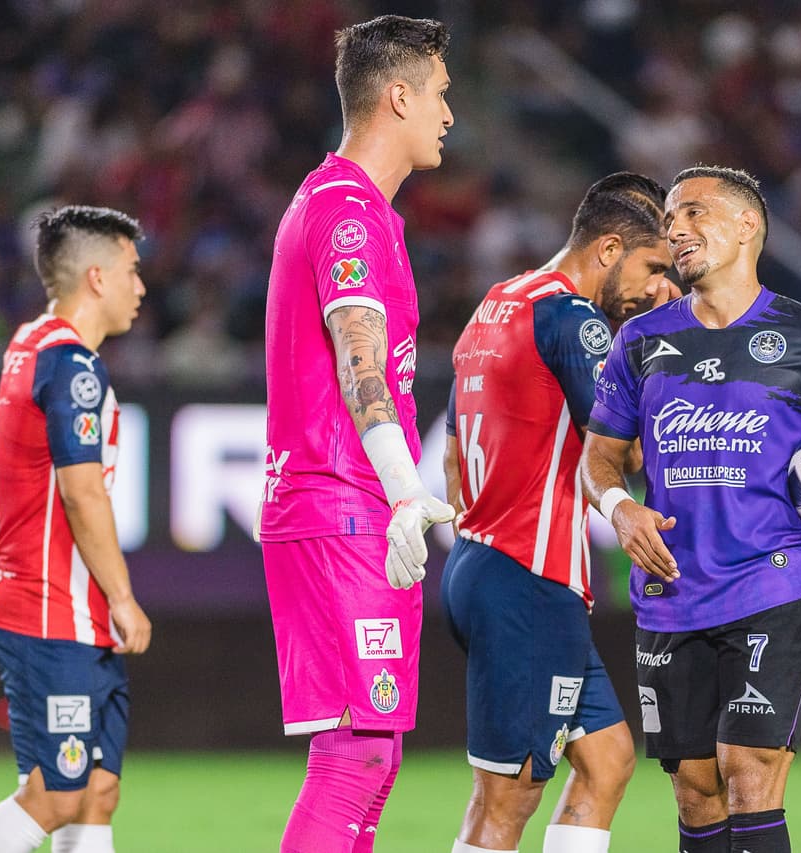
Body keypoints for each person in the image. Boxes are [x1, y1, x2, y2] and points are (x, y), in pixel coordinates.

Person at [580, 165, 801, 853]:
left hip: (767, 586)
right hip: (668, 593)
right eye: (670, 220)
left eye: (693, 213)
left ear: (748, 226)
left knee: (749, 771)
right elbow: (598, 457)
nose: (676, 229)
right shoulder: (642, 341)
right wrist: (621, 507)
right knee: (694, 785)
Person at [257, 15, 456, 853]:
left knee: (371, 755)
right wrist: (407, 485)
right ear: (399, 96)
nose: (450, 114)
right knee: (354, 755)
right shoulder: (346, 211)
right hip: (338, 501)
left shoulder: (355, 206)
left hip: (352, 503)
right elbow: (359, 364)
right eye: (442, 94)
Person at [442, 172, 676, 853]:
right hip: (529, 579)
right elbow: (624, 452)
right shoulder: (575, 320)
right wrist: (651, 332)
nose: (655, 284)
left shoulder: (496, 303)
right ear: (608, 249)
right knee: (506, 799)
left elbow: (456, 459)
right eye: (651, 267)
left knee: (606, 760)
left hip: (483, 561)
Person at [0, 205, 152, 853]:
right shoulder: (72, 366)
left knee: (96, 791)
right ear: (96, 277)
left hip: (67, 609)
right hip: (47, 610)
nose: (141, 285)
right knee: (56, 794)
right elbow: (81, 490)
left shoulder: (30, 344)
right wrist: (123, 596)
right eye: (131, 270)